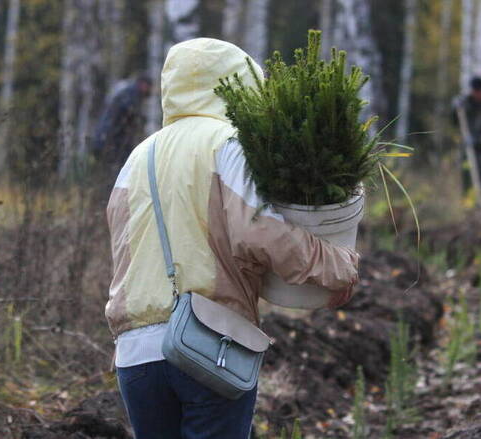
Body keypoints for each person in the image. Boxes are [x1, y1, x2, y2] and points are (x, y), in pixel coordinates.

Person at [105, 38, 358, 439]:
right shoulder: (226, 145)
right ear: (238, 83)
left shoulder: (138, 157)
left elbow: (121, 244)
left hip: (135, 352)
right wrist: (336, 266)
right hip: (207, 343)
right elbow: (260, 232)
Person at [91, 75, 152, 170]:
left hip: (112, 138)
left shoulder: (128, 92)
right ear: (143, 84)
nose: (149, 90)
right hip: (112, 139)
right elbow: (126, 112)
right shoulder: (130, 94)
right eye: (148, 87)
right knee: (116, 169)